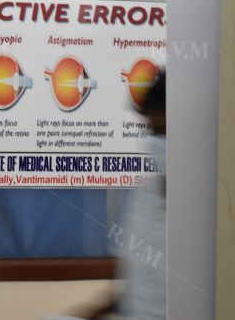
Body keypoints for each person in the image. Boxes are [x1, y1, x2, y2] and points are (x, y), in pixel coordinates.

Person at [76, 70, 167, 320]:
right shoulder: (147, 194)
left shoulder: (204, 209)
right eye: (149, 128)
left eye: (160, 131)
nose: (152, 138)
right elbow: (139, 280)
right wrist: (93, 312)